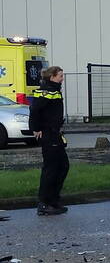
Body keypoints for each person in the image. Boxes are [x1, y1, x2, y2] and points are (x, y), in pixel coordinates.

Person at [29, 66, 70, 216]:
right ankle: (44, 203)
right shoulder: (47, 91)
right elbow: (34, 110)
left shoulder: (54, 89)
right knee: (51, 169)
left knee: (63, 166)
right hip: (48, 135)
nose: (62, 78)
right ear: (52, 77)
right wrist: (35, 128)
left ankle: (53, 200)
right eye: (60, 75)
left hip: (55, 134)